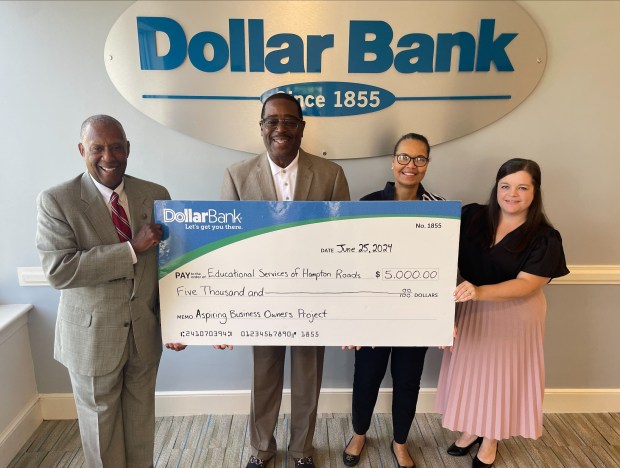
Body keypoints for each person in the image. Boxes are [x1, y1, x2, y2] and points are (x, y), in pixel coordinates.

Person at [36, 115, 182, 467]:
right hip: (92, 339)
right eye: (98, 148)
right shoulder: (57, 200)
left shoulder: (155, 195)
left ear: (128, 149)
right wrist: (131, 249)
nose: (108, 156)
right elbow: (59, 269)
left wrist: (177, 323)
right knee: (101, 430)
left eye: (117, 146)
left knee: (140, 422)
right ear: (82, 150)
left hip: (143, 334)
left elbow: (170, 266)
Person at [220, 92, 350, 468]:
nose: (280, 128)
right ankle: (262, 450)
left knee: (308, 379)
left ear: (301, 128)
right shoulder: (237, 176)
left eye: (289, 121)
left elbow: (345, 239)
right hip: (261, 299)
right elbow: (225, 248)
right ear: (261, 128)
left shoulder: (331, 174)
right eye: (272, 121)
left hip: (313, 298)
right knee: (264, 378)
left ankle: (302, 451)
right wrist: (226, 312)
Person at [435, 158, 569, 468]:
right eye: (505, 186)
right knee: (472, 375)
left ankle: (490, 438)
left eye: (522, 187)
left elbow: (528, 284)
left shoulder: (545, 236)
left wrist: (480, 292)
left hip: (515, 315)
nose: (512, 194)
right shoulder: (471, 216)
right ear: (496, 188)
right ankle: (472, 429)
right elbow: (434, 236)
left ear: (535, 192)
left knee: (500, 380)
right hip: (472, 309)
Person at [342, 133, 444, 468]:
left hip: (416, 316)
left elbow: (443, 266)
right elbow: (351, 265)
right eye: (404, 157)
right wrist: (351, 320)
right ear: (392, 160)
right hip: (373, 313)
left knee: (408, 381)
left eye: (419, 159)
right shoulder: (368, 204)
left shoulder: (438, 209)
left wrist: (442, 319)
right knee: (366, 377)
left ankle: (400, 441)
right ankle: (359, 433)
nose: (410, 166)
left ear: (427, 164)